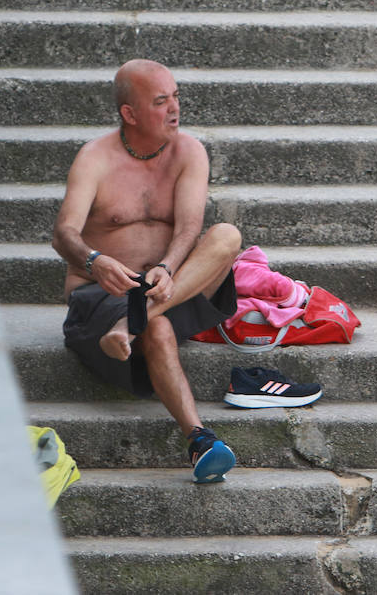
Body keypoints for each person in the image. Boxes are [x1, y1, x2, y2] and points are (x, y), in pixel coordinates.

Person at [52, 59, 243, 483]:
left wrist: (167, 267)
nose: (175, 108)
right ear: (129, 113)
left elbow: (191, 226)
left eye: (175, 96)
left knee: (226, 235)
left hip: (166, 286)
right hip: (102, 295)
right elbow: (63, 233)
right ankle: (200, 440)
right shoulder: (95, 158)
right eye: (161, 101)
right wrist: (93, 261)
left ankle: (132, 323)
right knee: (157, 331)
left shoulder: (189, 151)